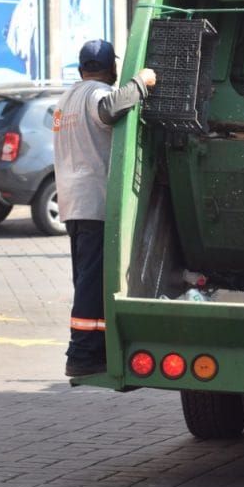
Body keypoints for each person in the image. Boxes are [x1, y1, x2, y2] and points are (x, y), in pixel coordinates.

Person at [54, 40, 156, 377]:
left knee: (86, 278)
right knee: (90, 281)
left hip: (71, 200)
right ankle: (81, 354)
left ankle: (93, 348)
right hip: (94, 201)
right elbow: (111, 108)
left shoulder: (66, 98)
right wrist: (141, 82)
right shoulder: (97, 93)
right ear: (110, 68)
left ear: (82, 66)